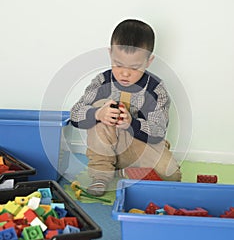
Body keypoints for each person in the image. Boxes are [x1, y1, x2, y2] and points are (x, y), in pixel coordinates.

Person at [70, 19, 181, 196]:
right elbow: (75, 115)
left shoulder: (156, 89)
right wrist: (98, 113)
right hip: (108, 143)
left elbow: (158, 131)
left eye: (135, 67)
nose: (125, 73)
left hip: (139, 146)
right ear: (110, 54)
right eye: (118, 64)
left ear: (148, 61)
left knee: (172, 174)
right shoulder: (102, 81)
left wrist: (131, 123)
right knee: (100, 106)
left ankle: (123, 172)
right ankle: (101, 175)